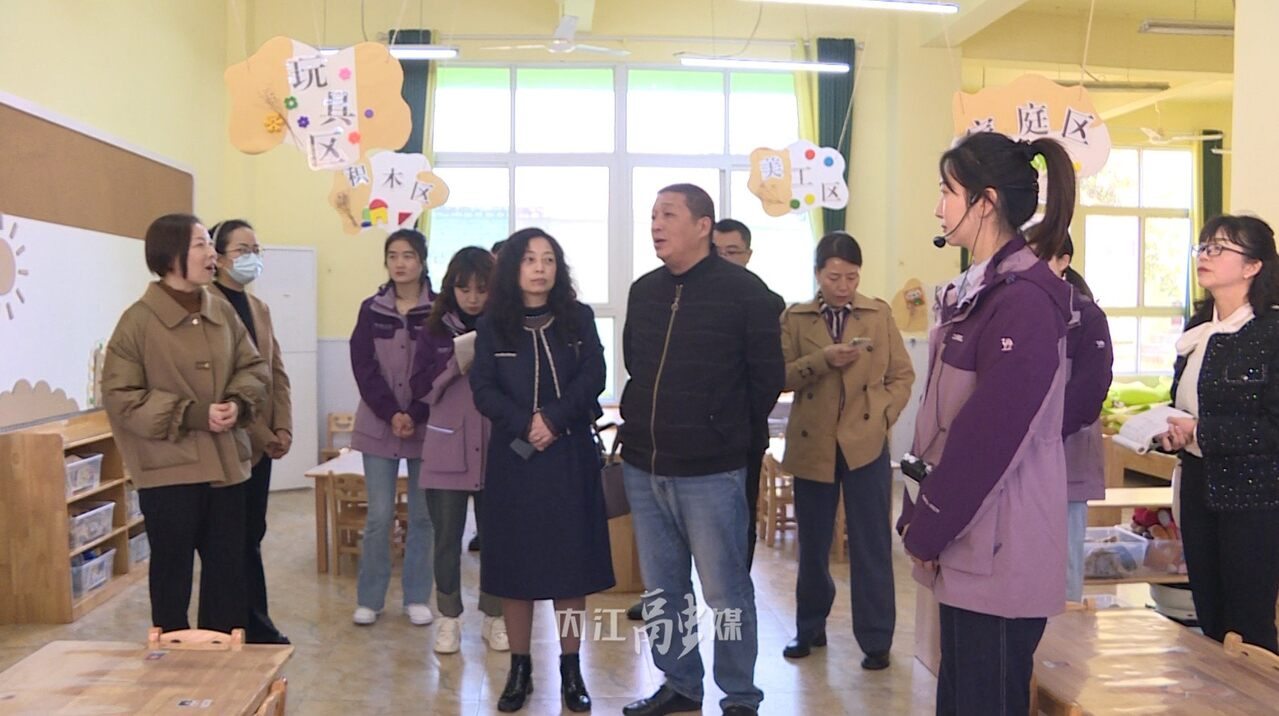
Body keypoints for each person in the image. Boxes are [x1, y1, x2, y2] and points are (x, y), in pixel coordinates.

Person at [896, 132, 1077, 715]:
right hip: (969, 537)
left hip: (1001, 543)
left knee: (985, 700)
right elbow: (942, 425)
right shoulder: (980, 292)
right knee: (960, 697)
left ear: (986, 201)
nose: (938, 207)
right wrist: (920, 515)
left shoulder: (1023, 302)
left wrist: (929, 526)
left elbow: (986, 441)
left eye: (947, 191)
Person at [620, 184, 783, 716]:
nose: (656, 224)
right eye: (653, 215)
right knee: (664, 591)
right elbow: (637, 366)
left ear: (703, 226)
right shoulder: (645, 292)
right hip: (646, 466)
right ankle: (680, 684)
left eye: (668, 214)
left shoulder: (745, 293)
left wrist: (721, 432)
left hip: (712, 472)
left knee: (725, 591)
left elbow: (766, 379)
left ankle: (739, 695)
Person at [469, 228, 613, 713]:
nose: (540, 268)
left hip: (568, 456)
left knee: (571, 569)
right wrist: (525, 424)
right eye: (530, 259)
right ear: (513, 268)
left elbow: (594, 376)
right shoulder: (492, 325)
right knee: (515, 567)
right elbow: (483, 388)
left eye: (548, 259)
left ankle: (571, 668)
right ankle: (520, 668)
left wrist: (553, 420)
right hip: (514, 461)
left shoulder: (578, 318)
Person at [102, 213, 267, 635]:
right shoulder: (138, 321)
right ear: (171, 255)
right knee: (172, 576)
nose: (211, 254)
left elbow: (253, 367)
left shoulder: (222, 310)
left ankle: (223, 656)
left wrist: (238, 403)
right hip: (169, 471)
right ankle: (171, 655)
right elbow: (121, 397)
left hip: (226, 466)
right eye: (200, 245)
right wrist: (192, 414)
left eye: (210, 244)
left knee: (228, 573)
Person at [779, 231, 914, 670]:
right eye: (834, 277)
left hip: (865, 442)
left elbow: (901, 375)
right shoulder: (796, 317)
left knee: (871, 542)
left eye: (851, 277)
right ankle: (809, 628)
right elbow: (780, 376)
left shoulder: (877, 314)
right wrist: (822, 361)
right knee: (813, 543)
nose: (843, 286)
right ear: (818, 274)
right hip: (813, 442)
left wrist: (883, 415)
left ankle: (876, 639)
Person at [1158, 214, 1279, 654]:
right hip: (1197, 486)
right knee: (1209, 618)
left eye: (1219, 248)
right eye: (1203, 247)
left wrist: (1202, 431)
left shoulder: (1271, 332)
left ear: (1253, 266)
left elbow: (1273, 426)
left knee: (1248, 625)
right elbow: (1183, 403)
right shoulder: (1198, 329)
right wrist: (1173, 433)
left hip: (1253, 496)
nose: (1205, 256)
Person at [410, 246, 508, 654]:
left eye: (481, 289)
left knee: (498, 539)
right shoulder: (433, 331)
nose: (472, 297)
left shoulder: (506, 328)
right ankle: (449, 617)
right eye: (464, 288)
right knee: (447, 539)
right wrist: (456, 361)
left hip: (496, 449)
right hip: (447, 449)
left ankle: (495, 616)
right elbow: (420, 389)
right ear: (451, 288)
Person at [208, 219, 293, 645]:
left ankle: (255, 622)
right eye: (242, 250)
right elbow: (225, 382)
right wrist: (262, 433)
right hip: (229, 441)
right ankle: (234, 626)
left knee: (252, 535)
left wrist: (283, 426)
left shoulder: (258, 307)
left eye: (256, 249)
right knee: (229, 540)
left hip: (263, 443)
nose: (251, 257)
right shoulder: (208, 304)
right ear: (218, 256)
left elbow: (275, 371)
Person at [349, 228, 435, 627]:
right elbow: (363, 367)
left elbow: (440, 367)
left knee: (423, 517)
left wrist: (415, 412)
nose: (400, 263)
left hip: (426, 426)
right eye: (393, 256)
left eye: (408, 255)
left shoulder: (438, 310)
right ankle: (370, 599)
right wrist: (391, 412)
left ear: (422, 261)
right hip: (378, 425)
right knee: (379, 517)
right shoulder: (371, 309)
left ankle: (417, 597)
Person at [713, 218, 786, 568]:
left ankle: (737, 590)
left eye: (733, 252)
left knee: (740, 522)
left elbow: (769, 377)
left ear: (748, 255)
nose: (725, 260)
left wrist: (740, 418)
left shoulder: (766, 301)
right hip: (695, 438)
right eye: (717, 252)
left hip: (744, 435)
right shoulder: (691, 297)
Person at [1043, 236, 1112, 603]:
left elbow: (1088, 394)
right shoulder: (1017, 309)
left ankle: (1063, 634)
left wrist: (1041, 435)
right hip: (1019, 460)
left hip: (1067, 456)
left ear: (1064, 260)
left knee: (1064, 569)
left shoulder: (1088, 318)